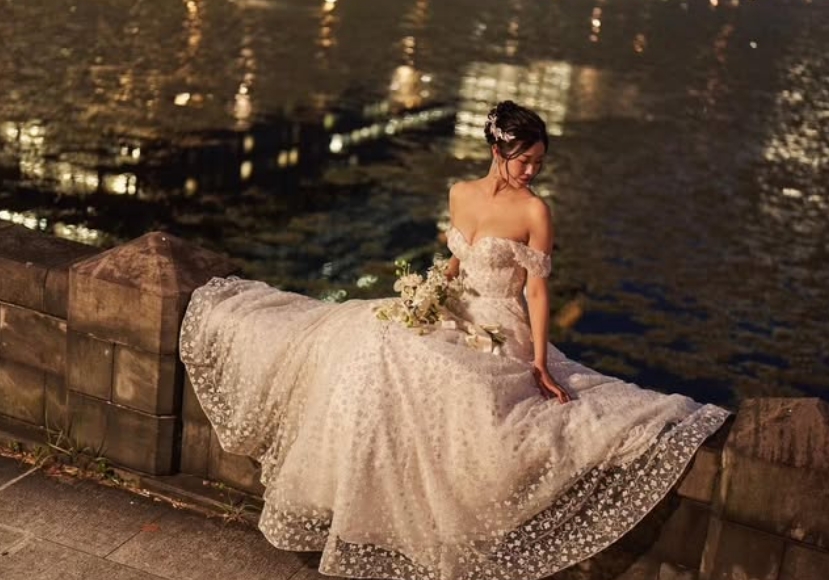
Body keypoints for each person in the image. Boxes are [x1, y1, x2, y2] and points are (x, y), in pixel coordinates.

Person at [179, 101, 729, 580]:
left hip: (499, 324)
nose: (532, 171)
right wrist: (423, 296)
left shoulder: (535, 211)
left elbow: (536, 292)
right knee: (376, 341)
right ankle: (362, 498)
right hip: (453, 307)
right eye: (525, 160)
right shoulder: (460, 193)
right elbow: (456, 262)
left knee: (449, 378)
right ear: (498, 150)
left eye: (539, 163)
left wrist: (540, 363)